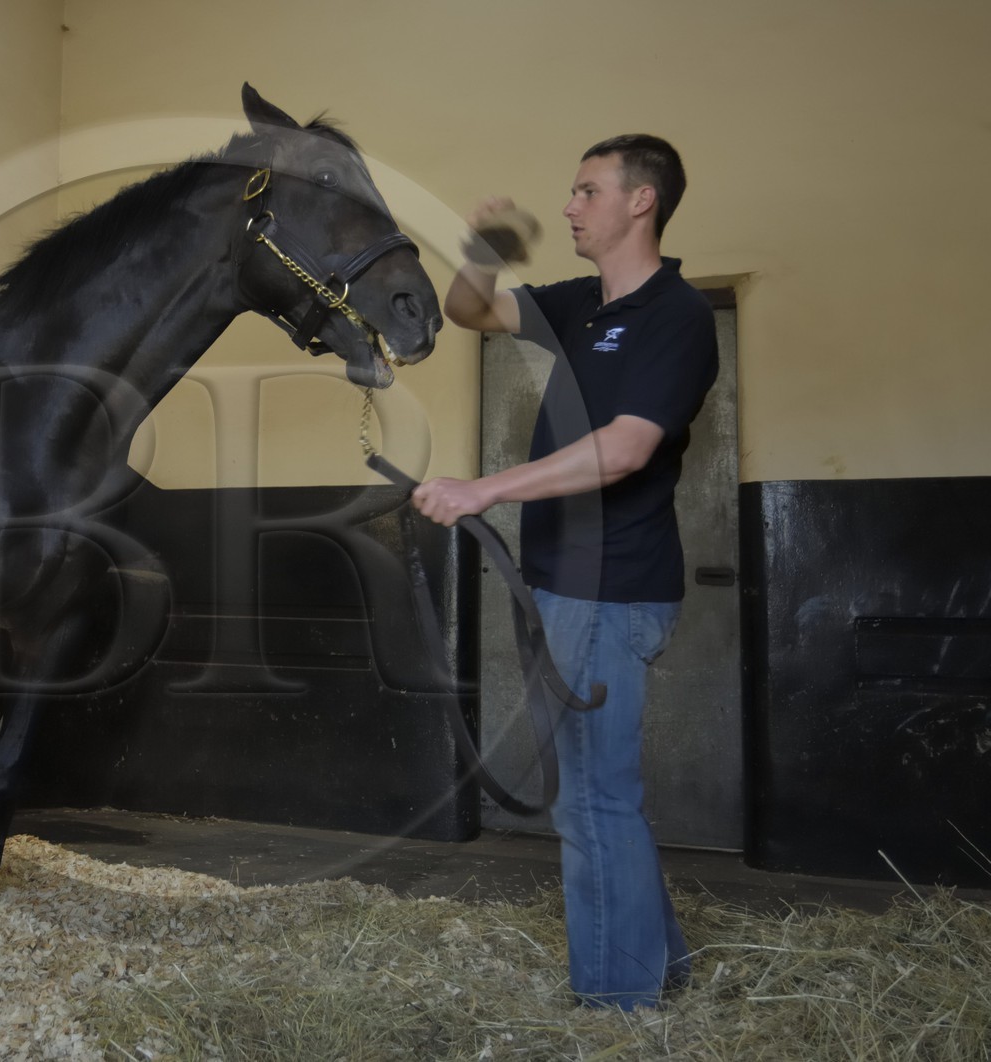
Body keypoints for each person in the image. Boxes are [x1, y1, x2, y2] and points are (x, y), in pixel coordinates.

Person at [414, 134, 718, 1010]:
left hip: (610, 588)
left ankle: (618, 1008)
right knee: (595, 796)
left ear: (641, 201)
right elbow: (470, 311)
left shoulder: (676, 314)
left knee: (591, 803)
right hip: (565, 584)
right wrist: (481, 251)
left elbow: (625, 449)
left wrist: (483, 489)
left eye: (588, 191)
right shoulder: (580, 303)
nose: (570, 206)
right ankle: (660, 970)